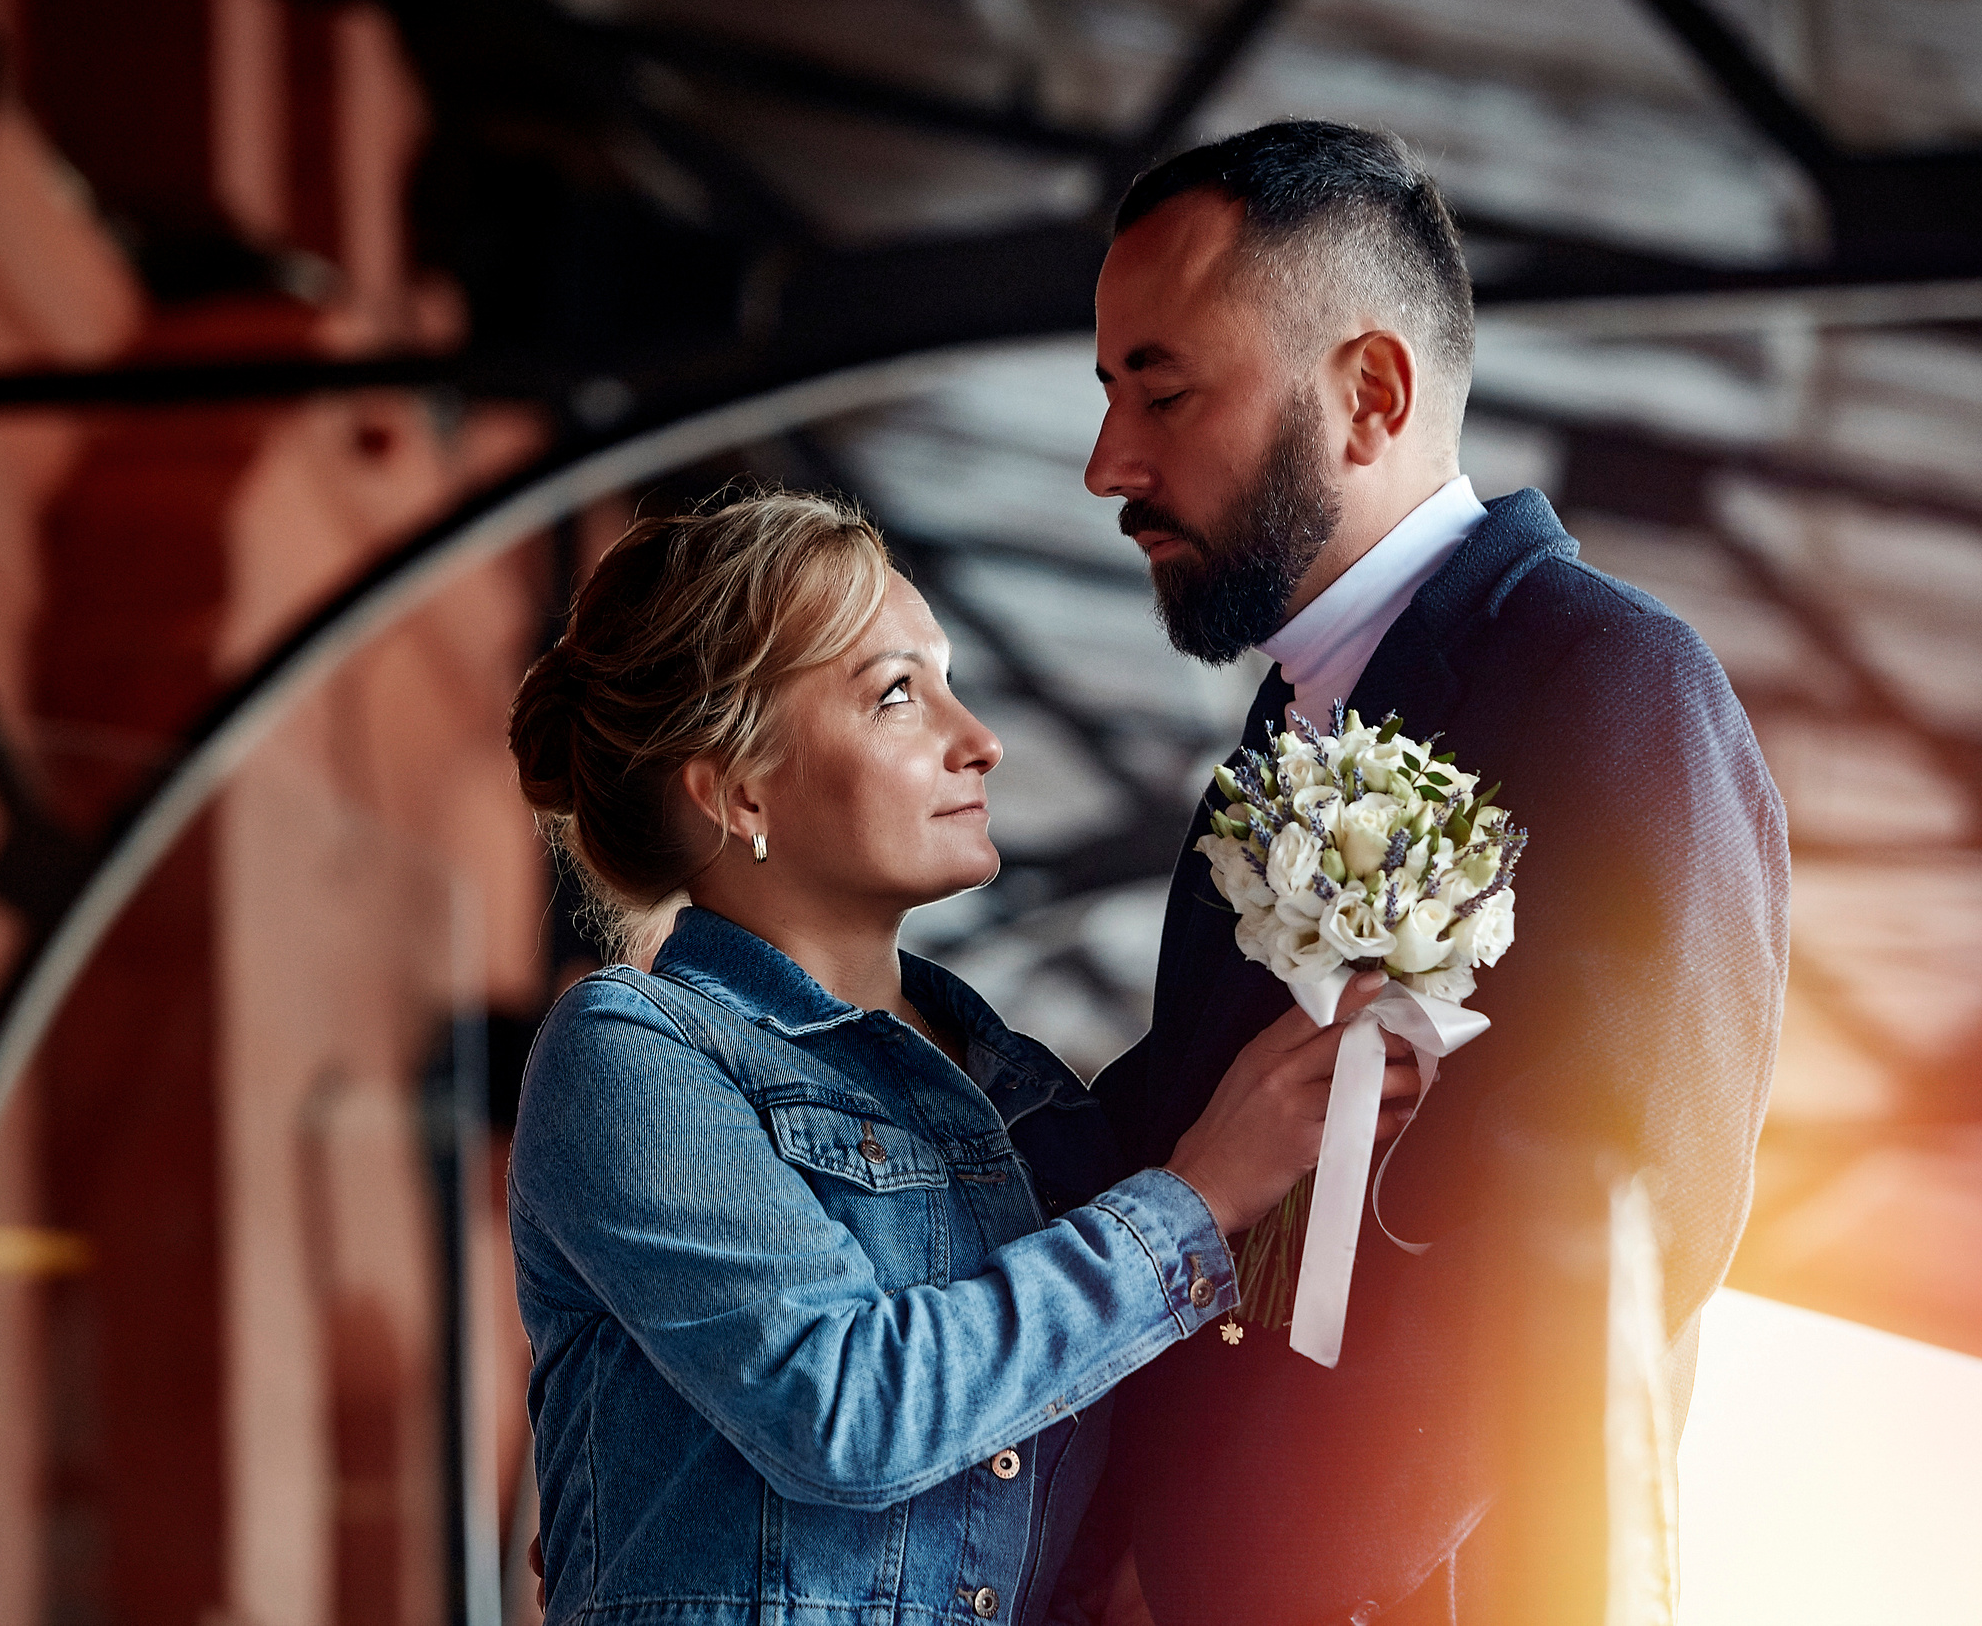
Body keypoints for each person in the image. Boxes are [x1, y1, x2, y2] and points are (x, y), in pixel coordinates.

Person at [1079, 122, 1789, 1624]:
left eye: (1164, 390)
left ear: (1370, 393)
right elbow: (1161, 1140)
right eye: (1106, 396)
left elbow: (1601, 1239)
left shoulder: (1616, 686)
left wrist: (1213, 1583)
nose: (1108, 466)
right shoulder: (1270, 750)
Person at [504, 491, 1425, 1626]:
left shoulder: (1032, 1100)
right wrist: (1195, 1200)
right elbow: (847, 1408)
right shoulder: (630, 1056)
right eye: (896, 695)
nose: (978, 738)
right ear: (739, 791)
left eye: (946, 678)